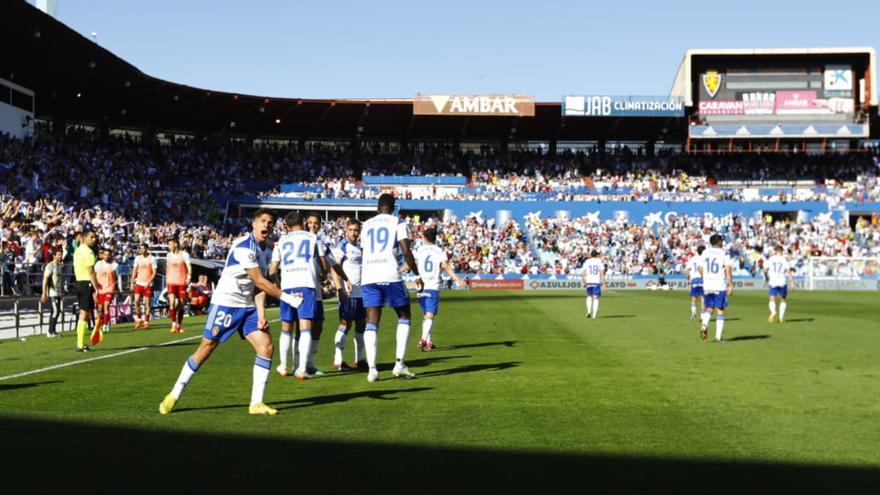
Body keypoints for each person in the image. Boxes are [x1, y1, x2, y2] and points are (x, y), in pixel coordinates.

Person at [159, 208, 302, 416]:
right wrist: (289, 299)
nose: (266, 225)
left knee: (266, 346)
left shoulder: (266, 250)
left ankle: (256, 403)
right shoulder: (245, 247)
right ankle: (174, 393)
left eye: (270, 222)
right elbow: (260, 281)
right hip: (226, 303)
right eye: (263, 221)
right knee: (206, 348)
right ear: (253, 224)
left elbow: (258, 287)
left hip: (247, 306)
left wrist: (261, 314)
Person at [269, 211, 342, 380]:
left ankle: (283, 365)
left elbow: (272, 270)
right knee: (305, 327)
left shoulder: (281, 242)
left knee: (286, 328)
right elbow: (323, 262)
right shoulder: (312, 238)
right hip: (306, 284)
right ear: (303, 222)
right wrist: (323, 275)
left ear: (286, 226)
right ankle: (302, 368)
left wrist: (278, 283)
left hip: (287, 287)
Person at [360, 194, 422, 382]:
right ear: (393, 207)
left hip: (369, 276)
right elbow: (406, 251)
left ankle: (372, 370)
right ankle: (399, 364)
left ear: (377, 208)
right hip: (390, 274)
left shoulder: (366, 225)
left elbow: (366, 250)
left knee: (372, 321)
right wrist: (417, 274)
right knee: (404, 315)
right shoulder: (398, 222)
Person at [414, 228, 464, 351]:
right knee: (430, 315)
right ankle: (423, 340)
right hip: (432, 285)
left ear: (424, 237)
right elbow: (445, 266)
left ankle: (429, 342)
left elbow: (410, 262)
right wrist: (457, 279)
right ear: (435, 237)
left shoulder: (419, 250)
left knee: (426, 314)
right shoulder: (439, 251)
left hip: (420, 286)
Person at [331, 218, 366, 369]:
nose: (353, 233)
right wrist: (340, 288)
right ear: (345, 230)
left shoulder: (359, 247)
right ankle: (338, 360)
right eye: (350, 230)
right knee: (345, 324)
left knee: (361, 325)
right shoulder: (342, 246)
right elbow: (335, 268)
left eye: (356, 230)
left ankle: (360, 359)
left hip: (361, 294)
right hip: (348, 294)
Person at [699, 234, 733, 342]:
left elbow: (701, 269)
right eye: (721, 241)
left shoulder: (705, 252)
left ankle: (704, 324)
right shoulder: (724, 253)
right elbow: (728, 269)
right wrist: (730, 284)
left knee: (709, 307)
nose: (723, 242)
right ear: (719, 242)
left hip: (707, 284)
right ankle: (718, 337)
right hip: (719, 285)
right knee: (720, 310)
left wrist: (706, 279)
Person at [72, 228, 99, 352]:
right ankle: (80, 344)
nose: (94, 240)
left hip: (78, 282)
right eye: (91, 237)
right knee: (84, 313)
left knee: (85, 313)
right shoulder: (88, 252)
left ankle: (80, 343)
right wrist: (96, 288)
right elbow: (91, 271)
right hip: (86, 283)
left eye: (95, 237)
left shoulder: (78, 250)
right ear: (84, 238)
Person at [165, 238, 192, 333]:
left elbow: (189, 266)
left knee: (181, 303)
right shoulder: (168, 255)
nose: (169, 246)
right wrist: (166, 280)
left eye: (170, 244)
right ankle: (173, 324)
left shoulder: (184, 254)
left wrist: (189, 277)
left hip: (181, 282)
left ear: (176, 244)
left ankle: (179, 325)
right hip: (171, 281)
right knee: (172, 302)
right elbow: (168, 268)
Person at [765, 245, 795, 323]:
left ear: (775, 251)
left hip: (773, 280)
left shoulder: (771, 259)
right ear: (781, 251)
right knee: (783, 299)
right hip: (782, 280)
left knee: (772, 298)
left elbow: (765, 269)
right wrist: (792, 281)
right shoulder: (784, 260)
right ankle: (781, 318)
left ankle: (773, 312)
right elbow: (788, 271)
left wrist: (766, 278)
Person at [131, 244, 157, 329]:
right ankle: (139, 319)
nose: (142, 250)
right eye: (140, 248)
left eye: (143, 248)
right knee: (136, 301)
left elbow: (154, 272)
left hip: (148, 284)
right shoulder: (137, 258)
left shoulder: (152, 258)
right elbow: (134, 270)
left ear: (147, 249)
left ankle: (146, 321)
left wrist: (149, 282)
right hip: (139, 283)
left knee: (147, 304)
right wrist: (132, 282)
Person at [94, 248, 119, 334]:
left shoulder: (114, 265)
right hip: (100, 289)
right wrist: (95, 287)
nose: (106, 256)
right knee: (100, 309)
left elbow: (117, 277)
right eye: (105, 254)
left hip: (110, 287)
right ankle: (101, 323)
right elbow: (94, 276)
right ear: (102, 255)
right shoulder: (98, 264)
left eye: (108, 255)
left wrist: (118, 288)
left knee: (106, 305)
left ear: (111, 255)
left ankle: (105, 324)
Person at [41, 248, 64, 338]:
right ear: (54, 255)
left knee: (56, 312)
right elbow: (45, 279)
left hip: (57, 292)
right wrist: (44, 293)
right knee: (55, 311)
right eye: (58, 255)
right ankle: (50, 332)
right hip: (52, 293)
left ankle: (53, 331)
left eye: (61, 254)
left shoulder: (59, 266)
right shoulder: (50, 266)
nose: (60, 256)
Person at [580, 250, 606, 319]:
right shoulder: (599, 261)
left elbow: (583, 272)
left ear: (591, 255)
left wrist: (583, 281)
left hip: (589, 281)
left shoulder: (587, 261)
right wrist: (604, 284)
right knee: (595, 298)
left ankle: (589, 311)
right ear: (596, 255)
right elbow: (602, 273)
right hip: (596, 281)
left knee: (589, 296)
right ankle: (594, 315)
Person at [686, 245, 706, 321]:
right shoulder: (704, 259)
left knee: (693, 298)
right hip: (702, 279)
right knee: (703, 298)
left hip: (694, 279)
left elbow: (687, 270)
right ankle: (702, 315)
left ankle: (693, 312)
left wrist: (688, 279)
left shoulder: (692, 259)